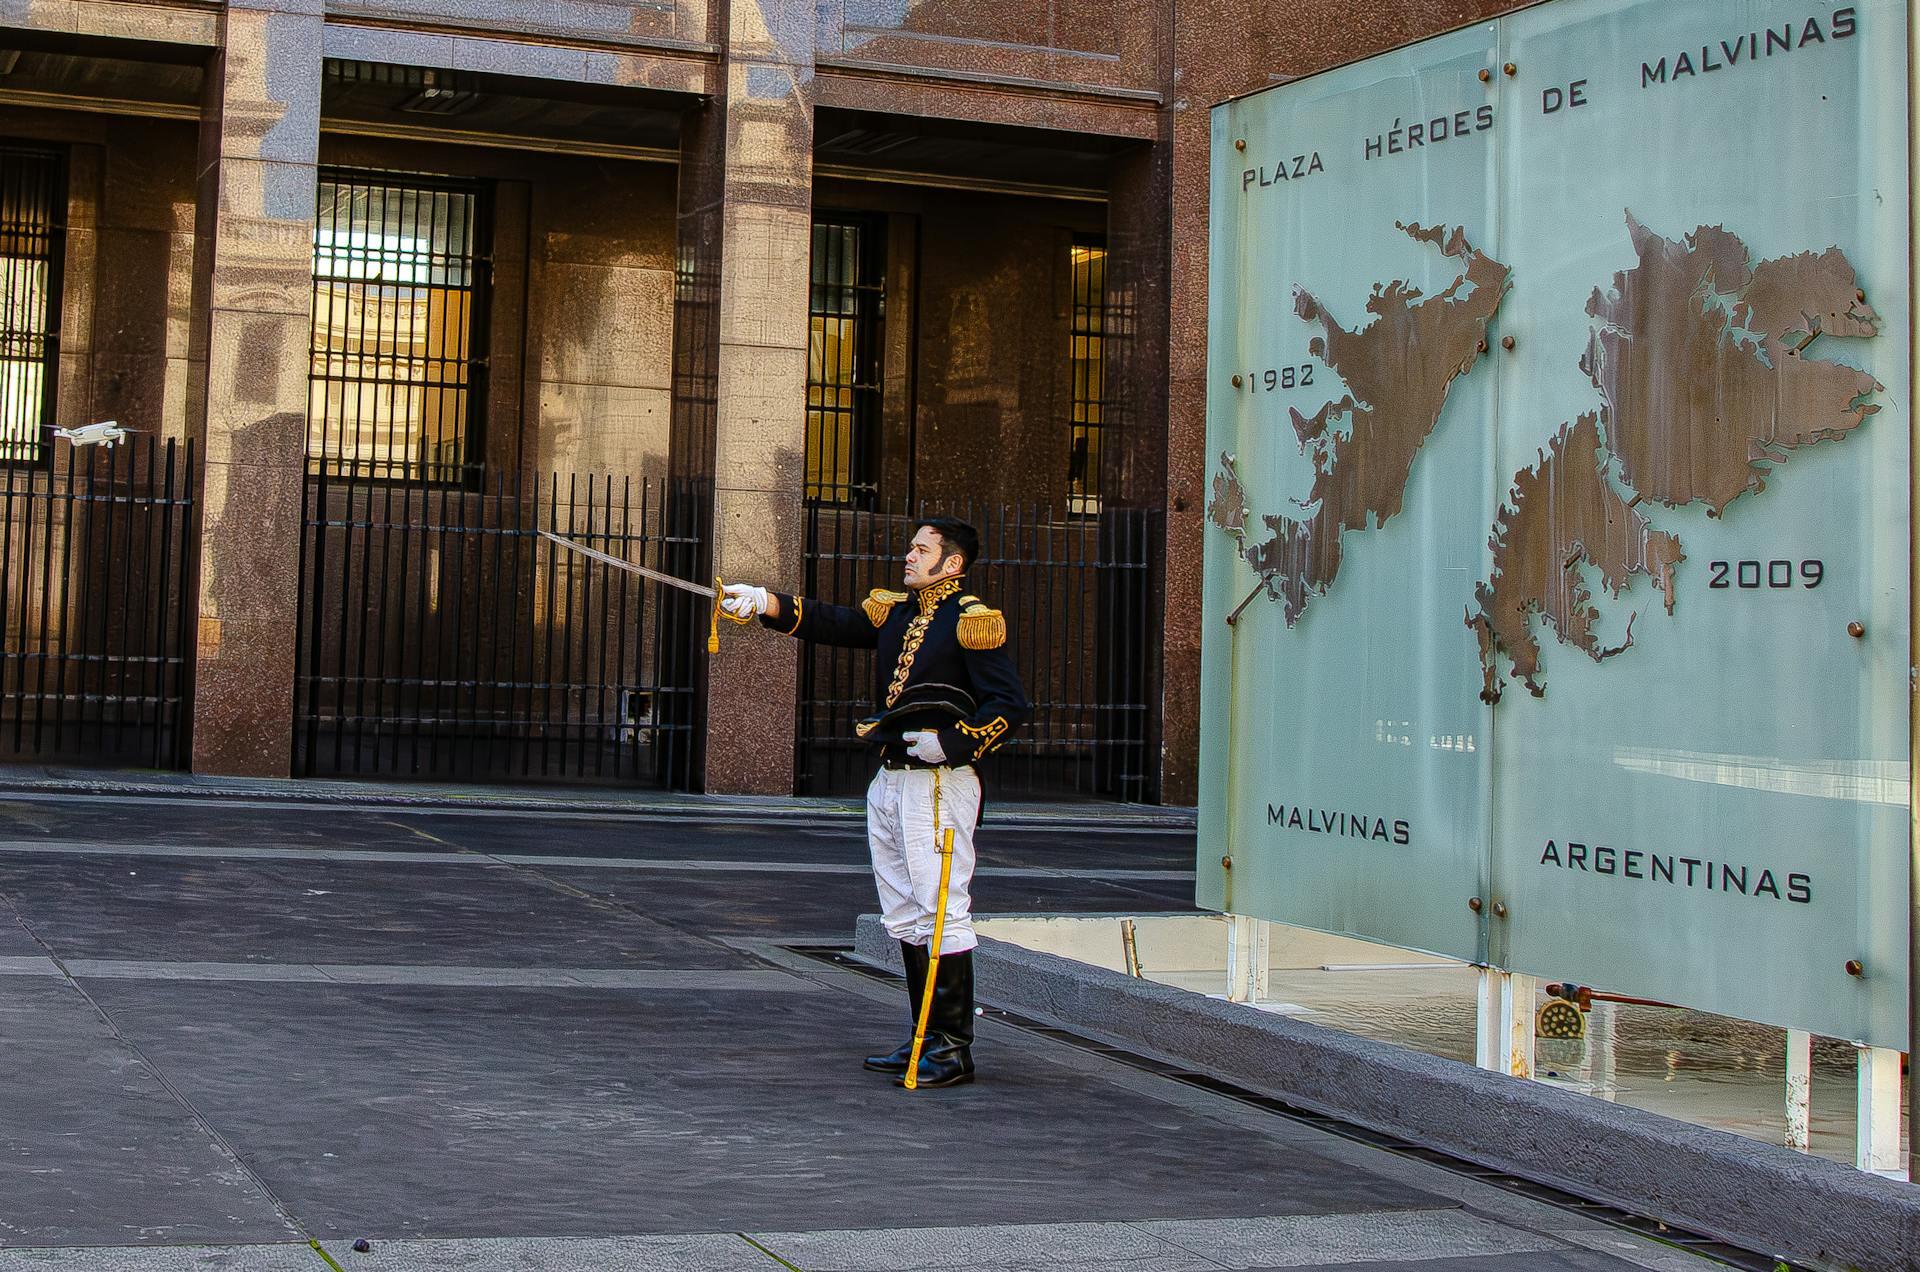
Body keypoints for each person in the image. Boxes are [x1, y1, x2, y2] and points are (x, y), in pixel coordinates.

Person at [721, 518, 1029, 1088]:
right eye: (911, 547)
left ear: (952, 564)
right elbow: (834, 622)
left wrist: (953, 742)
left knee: (941, 912)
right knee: (907, 913)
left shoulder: (972, 621)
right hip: (891, 777)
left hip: (938, 781)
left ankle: (952, 1047)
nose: (908, 556)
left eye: (921, 549)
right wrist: (764, 602)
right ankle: (924, 1037)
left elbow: (1010, 704)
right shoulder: (901, 613)